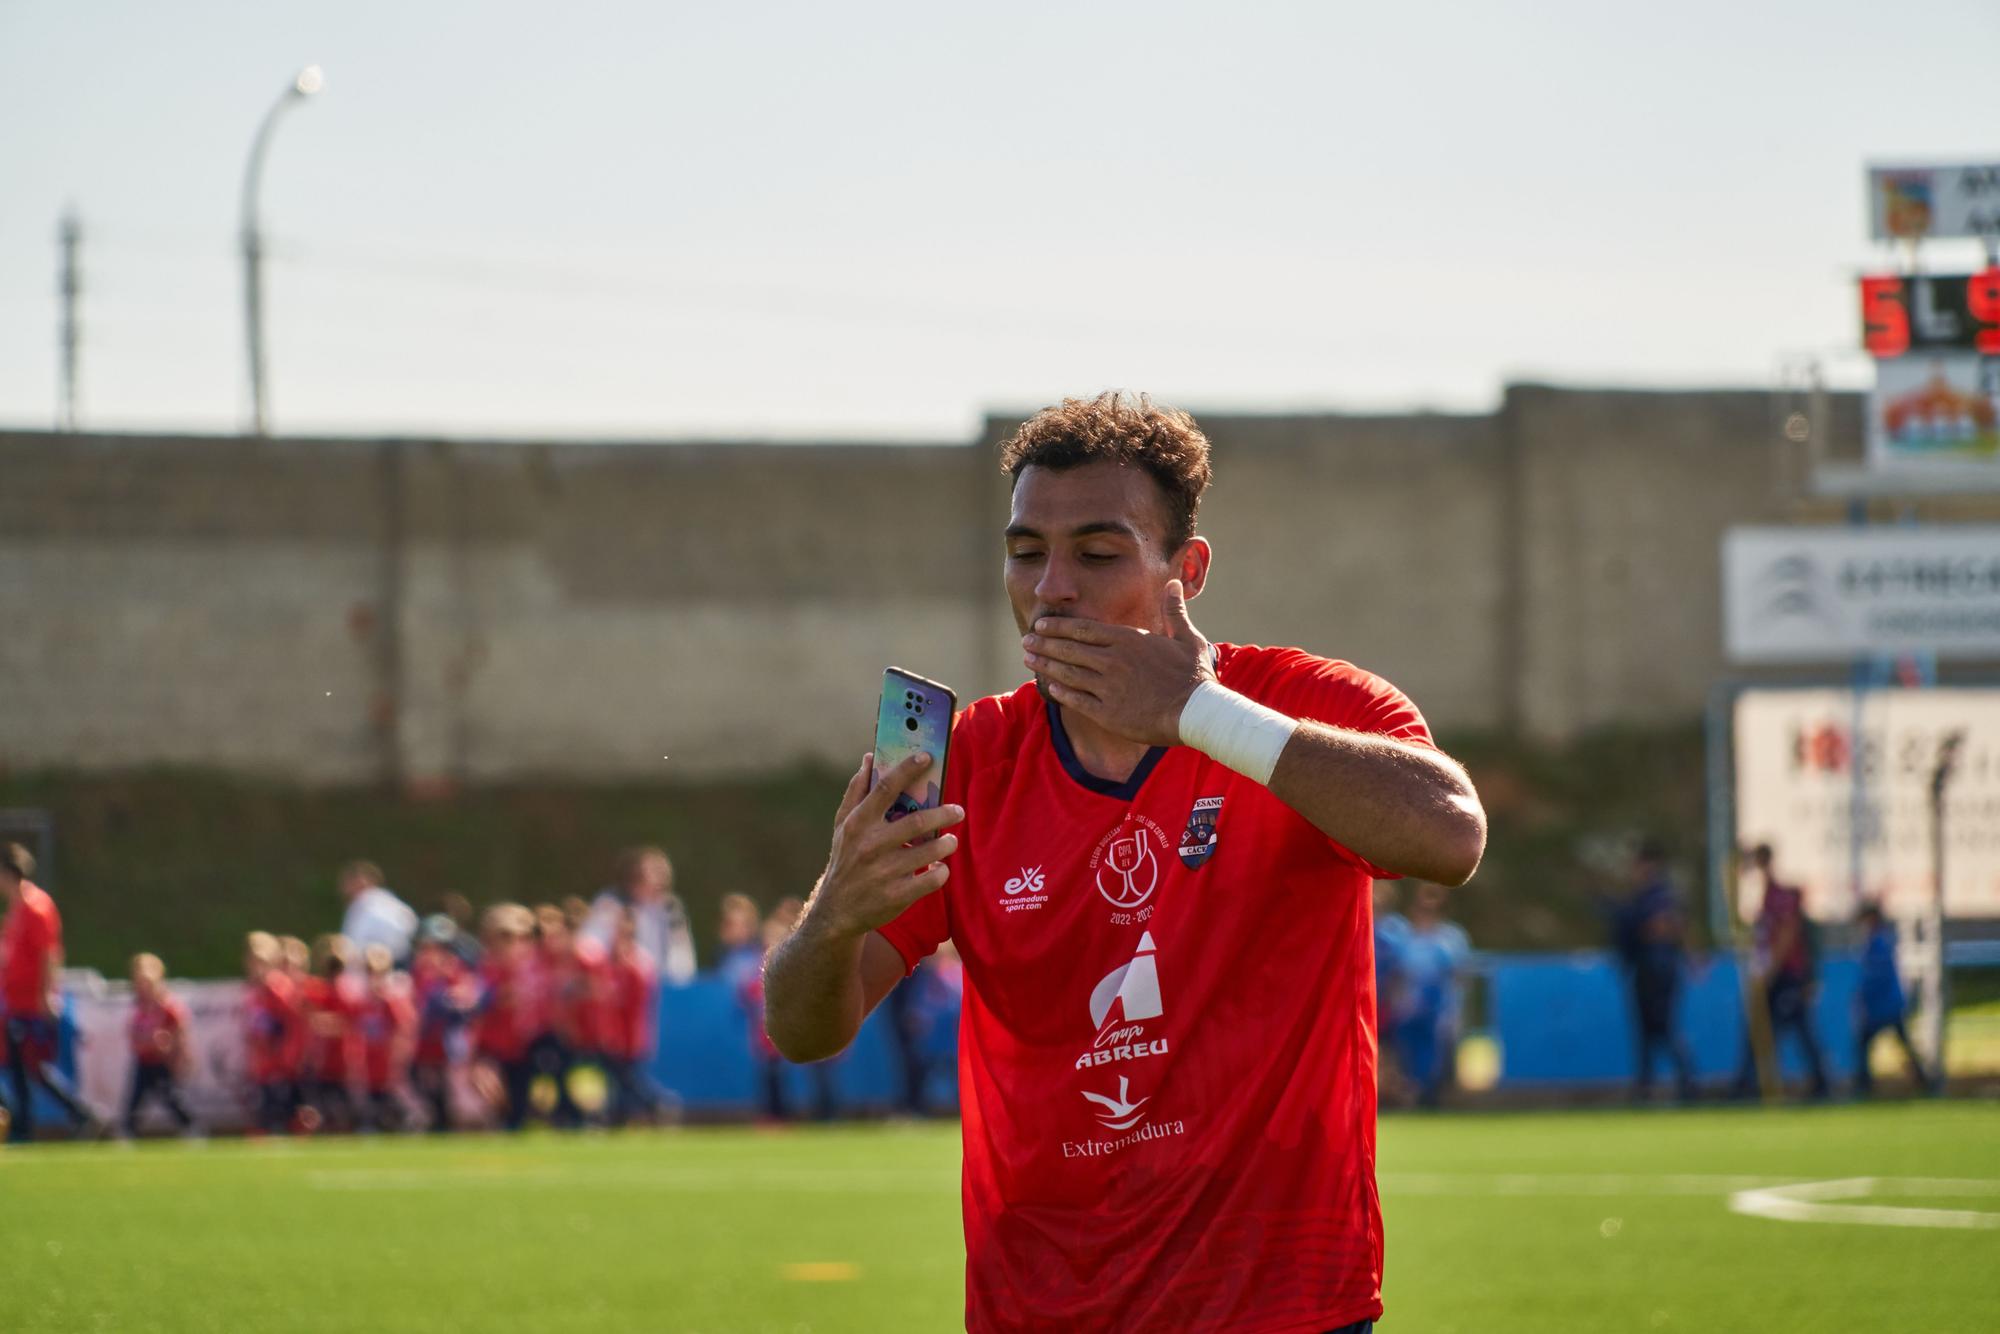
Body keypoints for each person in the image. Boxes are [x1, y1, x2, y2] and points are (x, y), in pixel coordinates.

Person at [763, 392, 1486, 1333]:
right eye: (1027, 553)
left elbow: (1451, 834)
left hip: (1284, 1306)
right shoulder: (967, 762)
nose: (1053, 586)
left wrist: (1201, 715)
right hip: (1040, 1309)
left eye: (1098, 554)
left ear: (1186, 569)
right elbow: (805, 1029)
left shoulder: (1295, 703)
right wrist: (835, 915)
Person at [1, 843, 98, 1141]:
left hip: (31, 1004)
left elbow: (49, 953)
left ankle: (67, 1117)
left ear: (9, 873)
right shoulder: (16, 910)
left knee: (31, 1067)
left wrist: (45, 995)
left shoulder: (36, 906)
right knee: (23, 1067)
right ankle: (64, 1118)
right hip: (14, 1002)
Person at [1734, 844, 1830, 1100]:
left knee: (1789, 1027)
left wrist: (1770, 971)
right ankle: (1747, 1081)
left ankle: (1819, 1082)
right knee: (1764, 1029)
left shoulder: (1780, 896)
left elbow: (1787, 936)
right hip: (1774, 973)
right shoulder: (1762, 898)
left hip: (1786, 974)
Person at [1610, 838, 1696, 1103]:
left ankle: (1686, 1085)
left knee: (1665, 1028)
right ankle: (1645, 1087)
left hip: (1659, 968)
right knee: (1645, 1031)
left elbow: (1664, 927)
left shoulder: (1660, 895)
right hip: (1646, 967)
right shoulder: (1642, 896)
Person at [1390, 882, 1472, 1109]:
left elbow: (1459, 975)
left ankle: (1432, 1101)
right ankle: (1410, 1099)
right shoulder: (1404, 937)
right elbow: (1398, 975)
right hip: (1409, 1009)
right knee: (1406, 1059)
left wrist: (1455, 1010)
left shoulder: (1451, 938)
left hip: (1439, 1010)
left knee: (1435, 1060)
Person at [580, 847, 697, 986]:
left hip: (659, 987)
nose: (662, 877)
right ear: (634, 875)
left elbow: (682, 955)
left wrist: (676, 981)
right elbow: (591, 946)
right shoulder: (610, 903)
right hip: (617, 983)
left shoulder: (671, 908)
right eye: (655, 871)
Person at [1853, 901, 1933, 1096]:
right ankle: (1922, 1080)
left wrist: (1863, 994)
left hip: (1884, 1005)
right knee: (1897, 1043)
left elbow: (1876, 975)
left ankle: (1865, 1085)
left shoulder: (1878, 941)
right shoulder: (1878, 939)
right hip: (1887, 1004)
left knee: (1866, 1044)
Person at [122, 953, 195, 1137]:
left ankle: (190, 1126)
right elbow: (133, 1033)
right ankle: (127, 1130)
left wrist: (176, 1052)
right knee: (135, 1099)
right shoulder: (139, 1008)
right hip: (143, 1060)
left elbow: (179, 1032)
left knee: (171, 1097)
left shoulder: (167, 1007)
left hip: (161, 1061)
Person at [299, 935, 364, 1133]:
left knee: (347, 1109)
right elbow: (310, 1019)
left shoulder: (349, 991)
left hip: (343, 1060)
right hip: (321, 1062)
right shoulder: (316, 989)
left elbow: (353, 1023)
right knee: (318, 1109)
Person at [242, 931, 302, 1135]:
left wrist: (287, 1057)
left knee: (280, 1109)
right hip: (263, 1062)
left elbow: (292, 1026)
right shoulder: (255, 991)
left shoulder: (278, 989)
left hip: (278, 1063)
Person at [357, 944, 416, 1131]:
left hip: (387, 1063)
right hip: (371, 1064)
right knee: (373, 1102)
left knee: (394, 1102)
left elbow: (403, 1030)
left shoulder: (391, 1001)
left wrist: (397, 1061)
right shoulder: (365, 1002)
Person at [1371, 880, 1413, 1103]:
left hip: (1383, 1004)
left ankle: (1394, 1094)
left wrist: (1398, 1000)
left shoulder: (1393, 932)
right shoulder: (1357, 923)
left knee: (1387, 1052)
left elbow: (1400, 972)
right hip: (1359, 1004)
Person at [337, 860, 418, 965]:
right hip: (398, 960)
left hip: (378, 964)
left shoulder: (365, 903)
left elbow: (353, 941)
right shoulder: (390, 901)